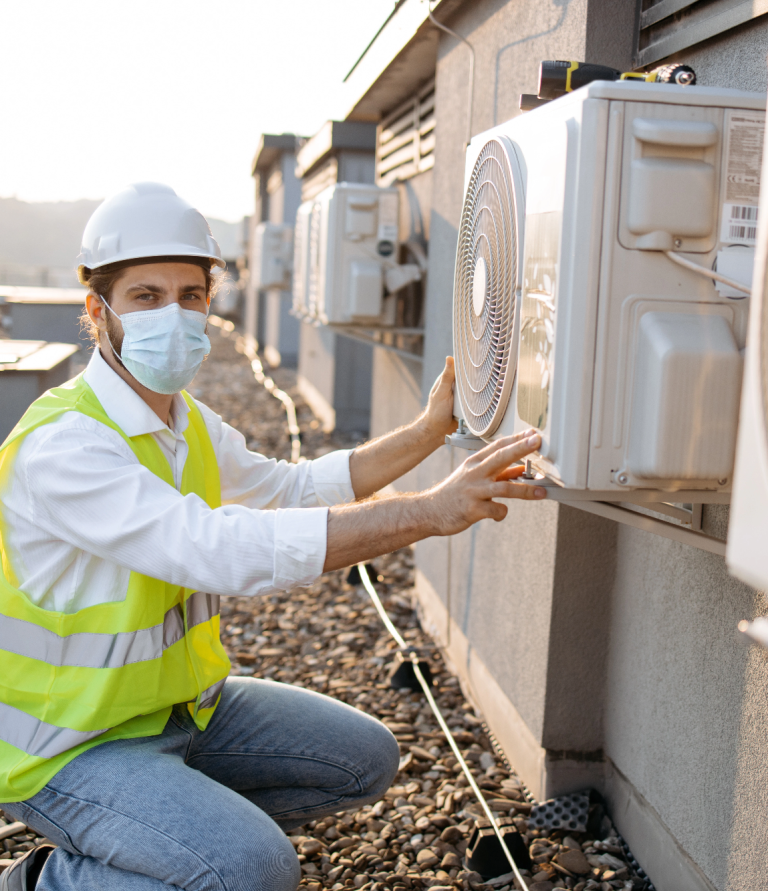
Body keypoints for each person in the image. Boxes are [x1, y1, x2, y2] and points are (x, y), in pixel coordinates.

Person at [0, 183, 546, 891]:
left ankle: (163, 834)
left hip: (180, 715)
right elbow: (222, 548)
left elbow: (291, 488)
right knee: (254, 867)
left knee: (365, 757)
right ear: (96, 312)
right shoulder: (67, 445)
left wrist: (426, 432)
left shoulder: (184, 422)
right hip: (68, 746)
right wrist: (430, 511)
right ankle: (47, 880)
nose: (174, 313)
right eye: (145, 296)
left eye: (190, 294)